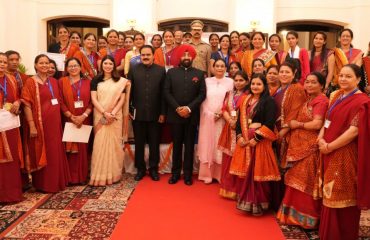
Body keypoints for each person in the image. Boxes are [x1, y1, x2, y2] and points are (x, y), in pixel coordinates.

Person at [317, 64, 370, 240]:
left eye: (348, 76)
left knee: (339, 196)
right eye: (341, 75)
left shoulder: (362, 101)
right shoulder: (337, 95)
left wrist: (330, 146)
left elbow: (354, 131)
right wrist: (321, 138)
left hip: (344, 154)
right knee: (328, 194)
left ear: (358, 79)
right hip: (328, 150)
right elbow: (327, 120)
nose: (343, 79)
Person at [277, 72, 328, 229]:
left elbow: (317, 124)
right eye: (307, 82)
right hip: (298, 146)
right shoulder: (308, 99)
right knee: (294, 179)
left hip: (310, 148)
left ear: (321, 85)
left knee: (305, 182)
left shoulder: (321, 101)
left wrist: (297, 124)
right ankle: (291, 216)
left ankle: (306, 219)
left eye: (314, 82)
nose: (310, 85)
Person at [21, 54, 70, 192]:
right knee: (42, 152)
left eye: (46, 63)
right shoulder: (31, 82)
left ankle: (56, 182)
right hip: (40, 125)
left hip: (55, 125)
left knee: (55, 153)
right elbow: (27, 105)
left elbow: (59, 101)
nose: (44, 65)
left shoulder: (54, 81)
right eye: (41, 63)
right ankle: (44, 184)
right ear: (35, 65)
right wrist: (31, 125)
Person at [234, 73, 280, 215]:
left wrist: (257, 139)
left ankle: (259, 205)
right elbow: (238, 122)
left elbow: (269, 123)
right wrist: (240, 136)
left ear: (264, 86)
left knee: (258, 174)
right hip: (246, 143)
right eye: (253, 84)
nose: (255, 86)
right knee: (246, 174)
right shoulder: (245, 100)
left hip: (260, 144)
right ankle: (246, 202)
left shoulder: (269, 101)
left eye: (259, 84)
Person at [164, 44, 206, 185]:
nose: (186, 57)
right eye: (184, 55)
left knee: (189, 146)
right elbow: (166, 92)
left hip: (191, 116)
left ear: (192, 57)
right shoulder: (171, 73)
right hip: (175, 116)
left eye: (189, 55)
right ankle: (175, 173)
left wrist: (188, 109)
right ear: (179, 57)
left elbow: (202, 95)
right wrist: (178, 108)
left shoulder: (200, 74)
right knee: (176, 145)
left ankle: (187, 175)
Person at [271, 60, 307, 211]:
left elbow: (295, 112)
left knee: (284, 168)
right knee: (275, 166)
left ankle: (284, 204)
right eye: (281, 72)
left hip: (288, 134)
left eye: (287, 72)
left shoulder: (296, 89)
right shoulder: (278, 89)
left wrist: (282, 132)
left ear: (294, 75)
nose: (283, 74)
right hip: (275, 132)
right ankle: (275, 201)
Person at [89, 55, 130, 186]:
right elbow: (94, 99)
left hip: (115, 117)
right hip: (100, 116)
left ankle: (114, 175)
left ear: (114, 66)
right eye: (105, 63)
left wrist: (112, 113)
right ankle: (99, 176)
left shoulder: (121, 81)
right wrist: (104, 113)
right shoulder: (96, 80)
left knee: (115, 146)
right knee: (99, 145)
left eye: (110, 64)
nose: (108, 66)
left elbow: (122, 99)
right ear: (102, 66)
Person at [128, 45, 166, 181]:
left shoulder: (161, 71)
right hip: (138, 114)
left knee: (154, 143)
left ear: (153, 56)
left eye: (148, 55)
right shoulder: (133, 70)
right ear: (140, 56)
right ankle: (140, 169)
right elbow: (129, 93)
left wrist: (163, 113)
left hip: (156, 115)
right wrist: (128, 110)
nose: (145, 57)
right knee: (139, 143)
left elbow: (164, 94)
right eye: (143, 55)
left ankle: (154, 169)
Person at [197, 59, 234, 184]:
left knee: (220, 145)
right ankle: (207, 174)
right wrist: (209, 113)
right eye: (217, 66)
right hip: (207, 117)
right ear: (212, 68)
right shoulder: (206, 81)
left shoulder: (231, 82)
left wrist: (222, 114)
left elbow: (231, 100)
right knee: (207, 143)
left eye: (222, 66)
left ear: (226, 68)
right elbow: (202, 98)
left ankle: (219, 175)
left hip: (223, 119)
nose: (219, 68)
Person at [59, 58, 92, 185]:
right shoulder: (62, 82)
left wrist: (83, 116)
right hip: (68, 119)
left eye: (76, 65)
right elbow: (60, 100)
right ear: (66, 68)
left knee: (83, 149)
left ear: (80, 67)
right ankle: (70, 178)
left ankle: (81, 177)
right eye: (70, 66)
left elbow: (92, 102)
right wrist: (71, 116)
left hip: (84, 119)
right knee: (69, 150)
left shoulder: (88, 82)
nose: (73, 68)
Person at [218, 70, 248, 199]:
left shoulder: (249, 96)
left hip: (242, 131)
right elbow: (224, 109)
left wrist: (237, 122)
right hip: (229, 128)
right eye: (236, 80)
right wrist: (230, 120)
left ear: (246, 81)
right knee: (228, 159)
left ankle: (239, 190)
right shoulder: (229, 94)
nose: (238, 83)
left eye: (241, 80)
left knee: (239, 159)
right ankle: (227, 188)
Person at [0, 52, 23, 203]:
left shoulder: (12, 79)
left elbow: (19, 97)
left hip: (10, 124)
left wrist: (17, 103)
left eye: (4, 62)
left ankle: (12, 194)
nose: (2, 64)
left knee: (12, 157)